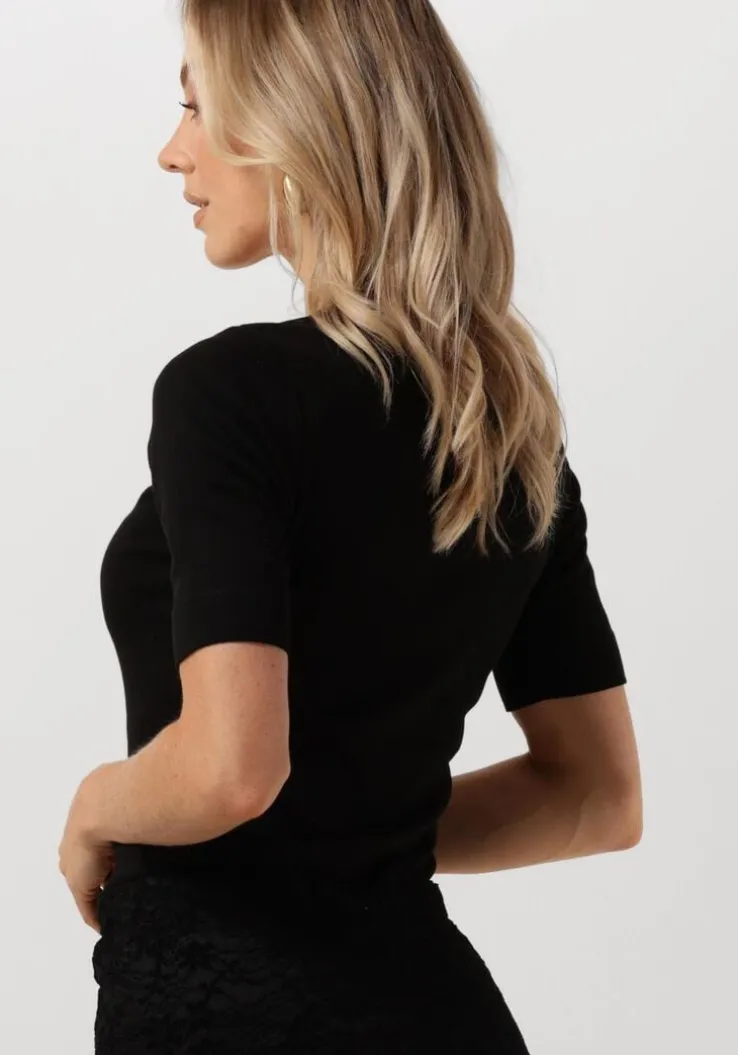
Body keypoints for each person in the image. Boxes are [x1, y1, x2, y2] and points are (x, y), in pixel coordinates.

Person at [57, 1, 642, 1052]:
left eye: (196, 107)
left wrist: (97, 803)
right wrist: (362, 832)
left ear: (290, 124)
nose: (173, 152)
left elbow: (232, 769)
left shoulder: (228, 394)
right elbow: (595, 797)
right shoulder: (504, 434)